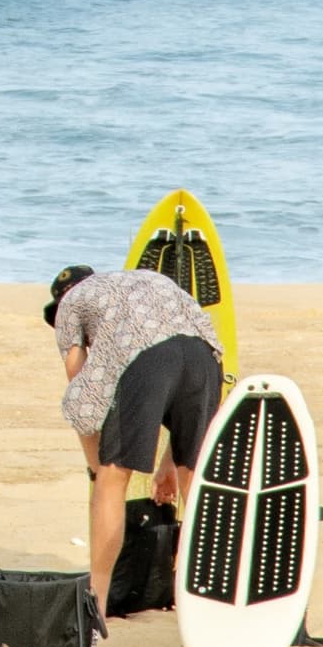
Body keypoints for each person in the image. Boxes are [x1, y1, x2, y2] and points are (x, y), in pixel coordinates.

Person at [44, 258, 223, 624]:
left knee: (113, 479)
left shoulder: (70, 304)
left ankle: (97, 603)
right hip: (205, 356)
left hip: (145, 360)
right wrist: (168, 465)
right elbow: (179, 360)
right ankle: (217, 596)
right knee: (196, 482)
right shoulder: (145, 279)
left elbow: (82, 392)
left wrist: (98, 470)